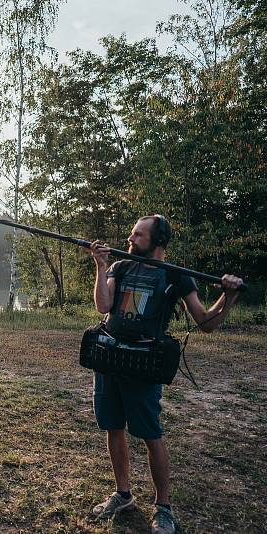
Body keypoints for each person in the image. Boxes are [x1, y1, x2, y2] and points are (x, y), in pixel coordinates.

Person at [89, 214, 243, 534]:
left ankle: (163, 506)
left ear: (158, 242)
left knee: (150, 434)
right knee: (113, 426)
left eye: (138, 236)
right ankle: (123, 494)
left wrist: (228, 296)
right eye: (131, 234)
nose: (130, 240)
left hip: (144, 365)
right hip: (109, 359)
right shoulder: (120, 267)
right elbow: (103, 307)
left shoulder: (176, 277)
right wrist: (101, 265)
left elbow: (206, 323)